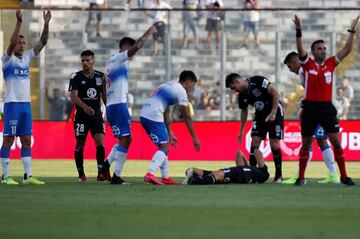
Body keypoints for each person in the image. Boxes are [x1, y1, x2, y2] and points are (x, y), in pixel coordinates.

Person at [292, 14, 358, 186]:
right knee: (306, 144)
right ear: (313, 52)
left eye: (324, 48)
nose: (323, 50)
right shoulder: (307, 64)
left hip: (327, 108)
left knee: (336, 143)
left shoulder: (330, 63)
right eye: (319, 48)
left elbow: (347, 50)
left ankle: (343, 176)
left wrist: (351, 30)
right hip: (310, 109)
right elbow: (299, 49)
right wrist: (298, 30)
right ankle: (301, 177)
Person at [97, 26, 157, 185]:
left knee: (124, 139)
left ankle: (105, 166)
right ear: (126, 47)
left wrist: (107, 104)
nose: (134, 54)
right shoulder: (118, 58)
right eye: (132, 50)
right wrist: (149, 32)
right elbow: (137, 46)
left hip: (112, 105)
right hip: (118, 105)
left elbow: (103, 83)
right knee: (127, 139)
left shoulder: (111, 61)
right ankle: (116, 176)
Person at [1, 10, 51, 185]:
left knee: (26, 140)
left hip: (25, 106)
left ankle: (27, 176)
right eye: (19, 43)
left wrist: (46, 23)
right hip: (12, 105)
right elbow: (11, 42)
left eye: (24, 43)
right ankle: (6, 177)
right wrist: (19, 22)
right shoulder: (7, 59)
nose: (21, 45)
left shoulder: (27, 57)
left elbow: (43, 42)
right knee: (8, 139)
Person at [282, 51, 340, 184]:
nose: (291, 70)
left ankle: (300, 177)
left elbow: (315, 90)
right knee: (321, 140)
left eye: (290, 67)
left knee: (309, 142)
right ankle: (333, 174)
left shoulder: (304, 71)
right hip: (321, 108)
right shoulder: (306, 70)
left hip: (321, 109)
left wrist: (305, 106)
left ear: (294, 62)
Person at [140, 70, 201, 185]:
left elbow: (166, 112)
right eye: (192, 85)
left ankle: (165, 177)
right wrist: (194, 138)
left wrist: (170, 133)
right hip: (153, 116)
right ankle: (150, 173)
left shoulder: (169, 85)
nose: (191, 89)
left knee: (164, 146)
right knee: (165, 148)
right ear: (187, 82)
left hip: (145, 114)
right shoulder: (181, 91)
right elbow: (187, 116)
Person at [225, 73, 284, 183]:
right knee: (255, 142)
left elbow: (275, 93)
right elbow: (244, 111)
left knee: (274, 143)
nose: (234, 90)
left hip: (274, 111)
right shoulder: (242, 96)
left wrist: (273, 112)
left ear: (237, 82)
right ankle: (251, 173)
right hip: (260, 115)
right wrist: (241, 130)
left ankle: (278, 176)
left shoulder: (258, 81)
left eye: (233, 87)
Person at [68, 50, 108, 182]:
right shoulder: (76, 77)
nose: (85, 63)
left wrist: (109, 109)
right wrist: (85, 107)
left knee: (100, 143)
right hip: (81, 116)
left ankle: (100, 172)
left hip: (96, 115)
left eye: (87, 60)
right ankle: (81, 174)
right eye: (83, 60)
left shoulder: (100, 76)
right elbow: (74, 96)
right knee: (80, 144)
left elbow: (104, 94)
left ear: (93, 61)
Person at [183, 148, 269, 185]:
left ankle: (194, 181)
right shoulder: (250, 170)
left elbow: (257, 152)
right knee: (215, 173)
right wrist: (247, 165)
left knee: (218, 175)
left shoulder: (263, 173)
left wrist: (248, 166)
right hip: (238, 172)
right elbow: (239, 152)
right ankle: (193, 172)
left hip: (238, 174)